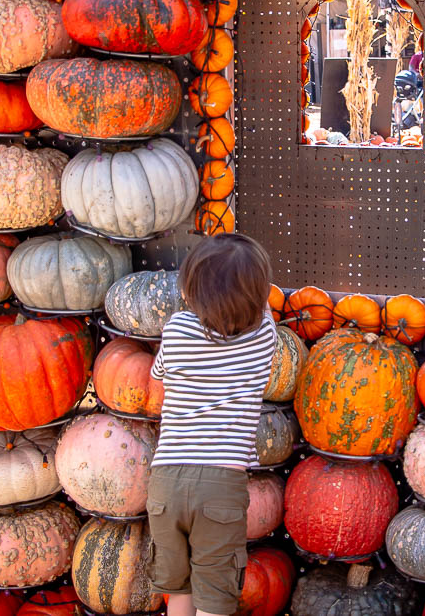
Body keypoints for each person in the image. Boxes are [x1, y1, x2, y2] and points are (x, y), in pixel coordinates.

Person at [147, 233, 277, 616]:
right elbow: (264, 309)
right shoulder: (263, 338)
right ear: (259, 294)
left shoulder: (175, 330)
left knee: (180, 590)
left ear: (189, 290)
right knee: (215, 596)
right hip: (220, 485)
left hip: (166, 481)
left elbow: (159, 373)